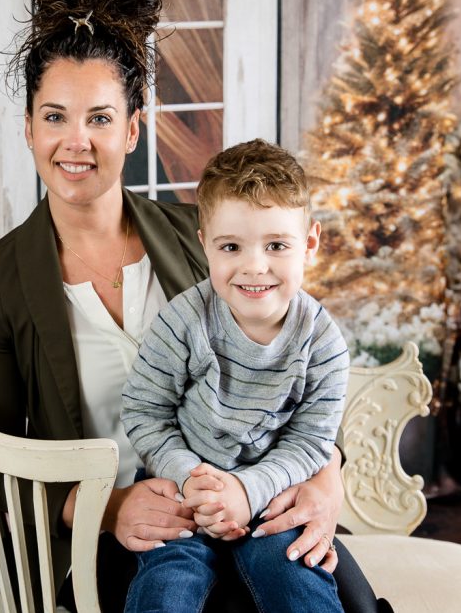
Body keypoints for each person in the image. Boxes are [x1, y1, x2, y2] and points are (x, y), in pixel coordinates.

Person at [0, 0, 387, 613]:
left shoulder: (209, 239)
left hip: (252, 497)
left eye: (100, 118)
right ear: (29, 129)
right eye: (55, 116)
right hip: (119, 530)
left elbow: (299, 380)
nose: (76, 141)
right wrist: (110, 507)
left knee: (346, 602)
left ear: (132, 130)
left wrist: (326, 479)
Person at [120, 140, 348, 613]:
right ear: (205, 244)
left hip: (273, 491)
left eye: (276, 246)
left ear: (309, 243)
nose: (254, 267)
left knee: (297, 578)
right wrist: (192, 481)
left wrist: (248, 492)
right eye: (231, 247)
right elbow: (145, 413)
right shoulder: (184, 321)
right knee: (167, 584)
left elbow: (311, 442)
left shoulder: (323, 342)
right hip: (186, 487)